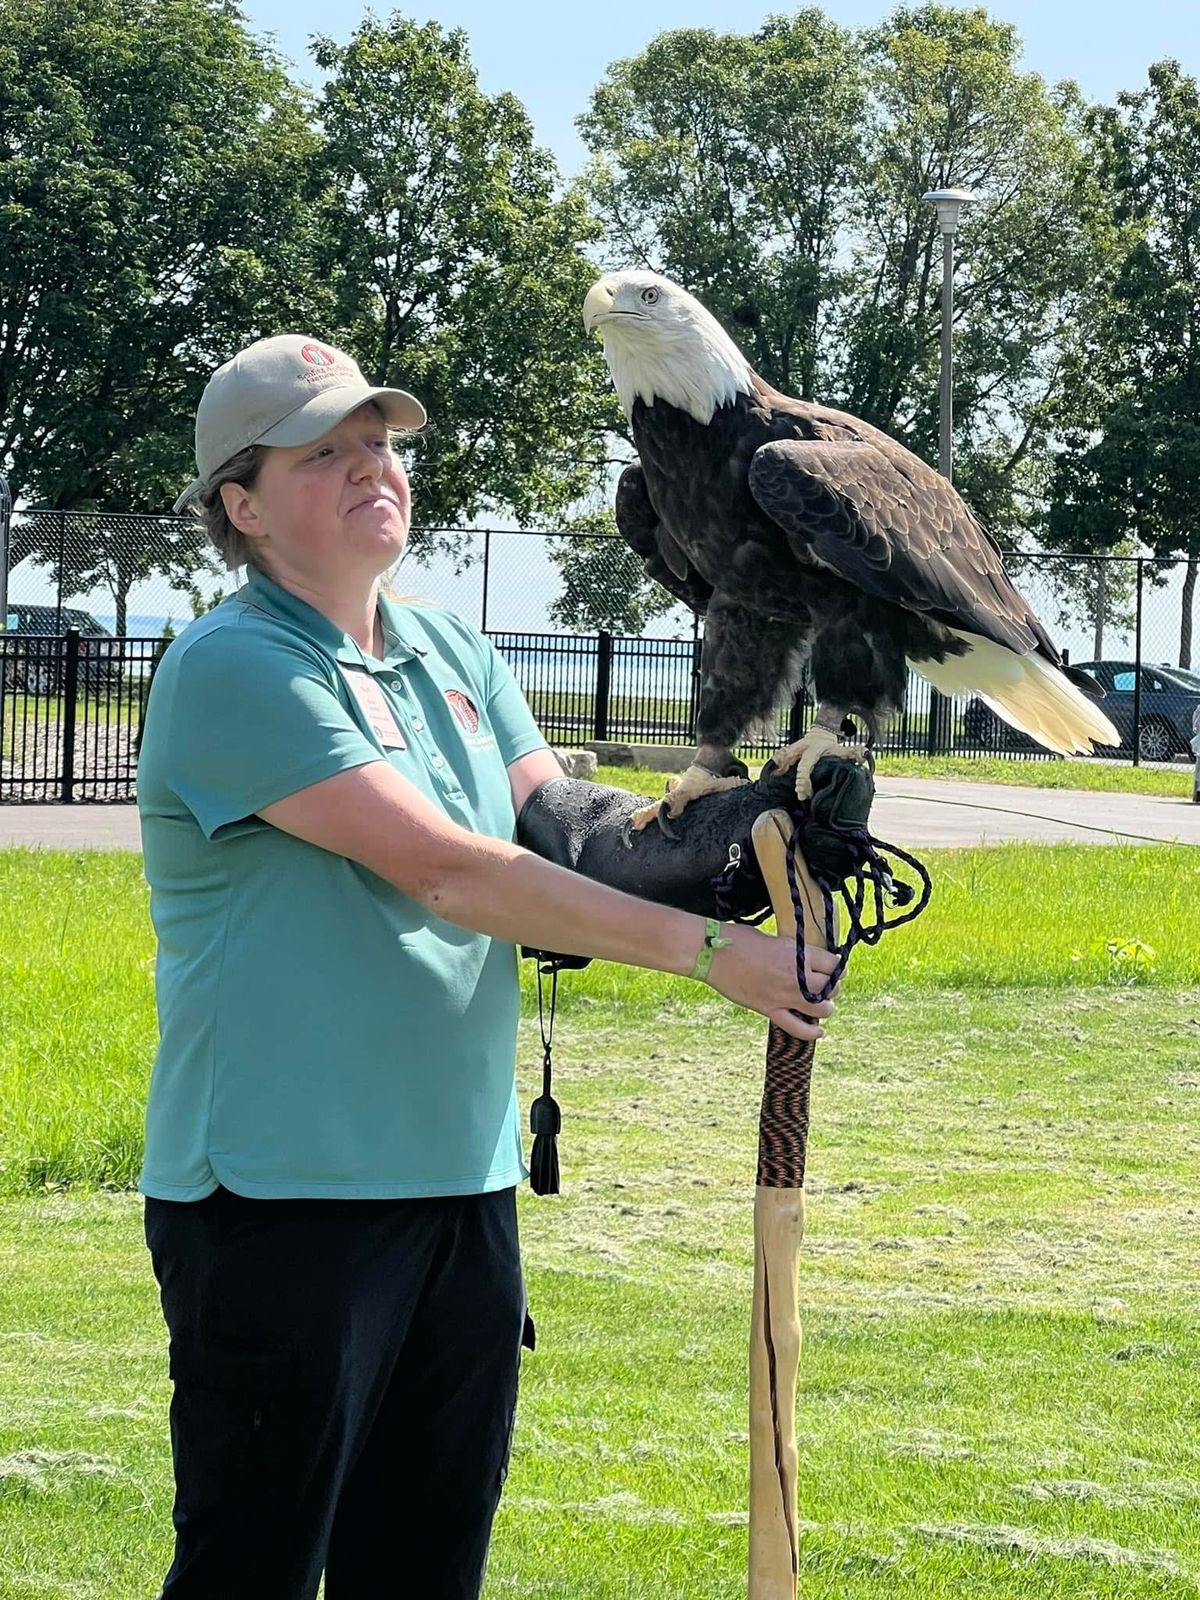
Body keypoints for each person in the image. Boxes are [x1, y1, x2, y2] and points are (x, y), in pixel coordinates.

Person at [136, 333, 838, 1600]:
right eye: (327, 451)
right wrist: (713, 951)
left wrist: (741, 835)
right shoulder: (236, 666)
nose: (374, 468)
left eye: (384, 441)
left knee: (425, 1563)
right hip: (277, 1198)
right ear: (242, 505)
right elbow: (453, 872)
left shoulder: (452, 652)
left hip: (460, 1184)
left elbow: (566, 832)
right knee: (253, 1566)